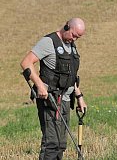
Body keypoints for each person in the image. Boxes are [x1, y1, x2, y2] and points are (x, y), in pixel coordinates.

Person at [20, 18, 87, 160]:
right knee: (51, 143)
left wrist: (79, 97)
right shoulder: (49, 42)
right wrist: (39, 85)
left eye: (78, 37)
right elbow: (26, 63)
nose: (74, 39)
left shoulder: (71, 46)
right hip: (50, 99)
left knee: (61, 144)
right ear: (67, 26)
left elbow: (70, 76)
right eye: (74, 35)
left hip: (66, 100)